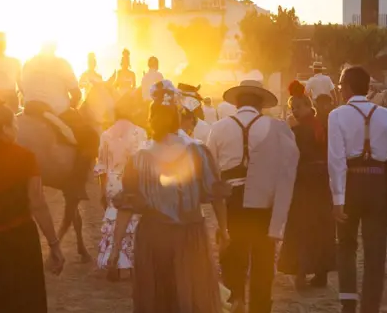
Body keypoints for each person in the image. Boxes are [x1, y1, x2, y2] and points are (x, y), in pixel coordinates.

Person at [108, 80, 229, 312]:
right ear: (177, 117)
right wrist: (224, 229)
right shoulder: (198, 151)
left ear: (151, 119)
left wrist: (115, 249)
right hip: (190, 237)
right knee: (192, 300)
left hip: (153, 239)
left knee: (157, 301)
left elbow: (126, 206)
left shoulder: (139, 158)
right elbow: (216, 195)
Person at [0, 104, 65, 313]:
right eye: (14, 125)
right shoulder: (26, 157)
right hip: (20, 240)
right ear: (7, 128)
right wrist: (54, 244)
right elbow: (37, 203)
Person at [208, 79, 298, 313]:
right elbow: (286, 171)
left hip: (231, 201)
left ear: (236, 103)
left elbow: (211, 174)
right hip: (264, 202)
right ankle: (260, 308)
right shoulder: (276, 127)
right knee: (263, 261)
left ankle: (234, 300)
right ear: (261, 105)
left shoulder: (218, 128)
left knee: (232, 257)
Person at [328, 66, 387, 313]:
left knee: (346, 245)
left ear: (348, 87)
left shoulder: (337, 115)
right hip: (377, 187)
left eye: (341, 84)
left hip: (350, 185)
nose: (339, 89)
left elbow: (336, 160)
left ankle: (348, 302)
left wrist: (337, 198)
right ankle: (370, 306)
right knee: (376, 250)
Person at [22, 42, 99, 200]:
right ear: (55, 47)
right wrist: (71, 105)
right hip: (57, 110)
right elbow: (76, 93)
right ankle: (77, 183)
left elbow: (22, 88)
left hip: (29, 108)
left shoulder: (28, 63)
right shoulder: (62, 64)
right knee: (91, 136)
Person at [278, 81, 336, 291]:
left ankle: (301, 273)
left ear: (307, 105)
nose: (294, 111)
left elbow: (287, 155)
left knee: (301, 225)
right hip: (321, 179)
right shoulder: (324, 124)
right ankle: (321, 274)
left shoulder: (297, 129)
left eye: (297, 107)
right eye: (293, 108)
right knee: (322, 225)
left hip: (303, 180)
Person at [94, 92, 147, 275]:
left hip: (112, 181)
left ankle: (112, 262)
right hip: (133, 181)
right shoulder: (140, 132)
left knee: (113, 221)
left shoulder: (106, 134)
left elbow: (101, 165)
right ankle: (132, 264)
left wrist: (102, 189)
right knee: (133, 221)